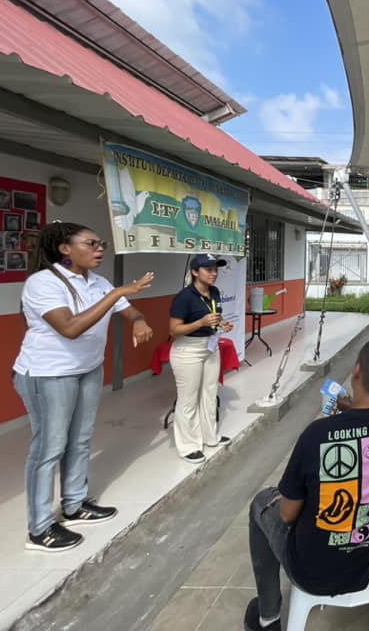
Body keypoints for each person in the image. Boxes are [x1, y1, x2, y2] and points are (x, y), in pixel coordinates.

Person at [243, 337, 369, 631]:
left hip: (316, 573)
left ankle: (268, 616)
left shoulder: (317, 435)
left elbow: (287, 515)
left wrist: (348, 413)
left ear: (356, 372)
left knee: (263, 503)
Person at [13, 222, 154, 552]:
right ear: (65, 249)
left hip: (87, 369)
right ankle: (40, 527)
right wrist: (119, 292)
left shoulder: (98, 282)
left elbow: (128, 310)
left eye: (100, 243)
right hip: (49, 374)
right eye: (91, 243)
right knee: (49, 447)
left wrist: (139, 320)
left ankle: (74, 505)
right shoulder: (42, 283)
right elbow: (70, 328)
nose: (99, 248)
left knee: (80, 439)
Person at [169, 254, 235, 463]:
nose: (214, 273)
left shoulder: (213, 292)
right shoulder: (184, 297)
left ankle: (210, 436)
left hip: (210, 346)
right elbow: (173, 330)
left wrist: (222, 323)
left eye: (216, 269)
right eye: (208, 269)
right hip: (188, 349)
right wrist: (200, 322)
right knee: (188, 398)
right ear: (195, 272)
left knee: (209, 393)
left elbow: (214, 316)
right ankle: (189, 446)